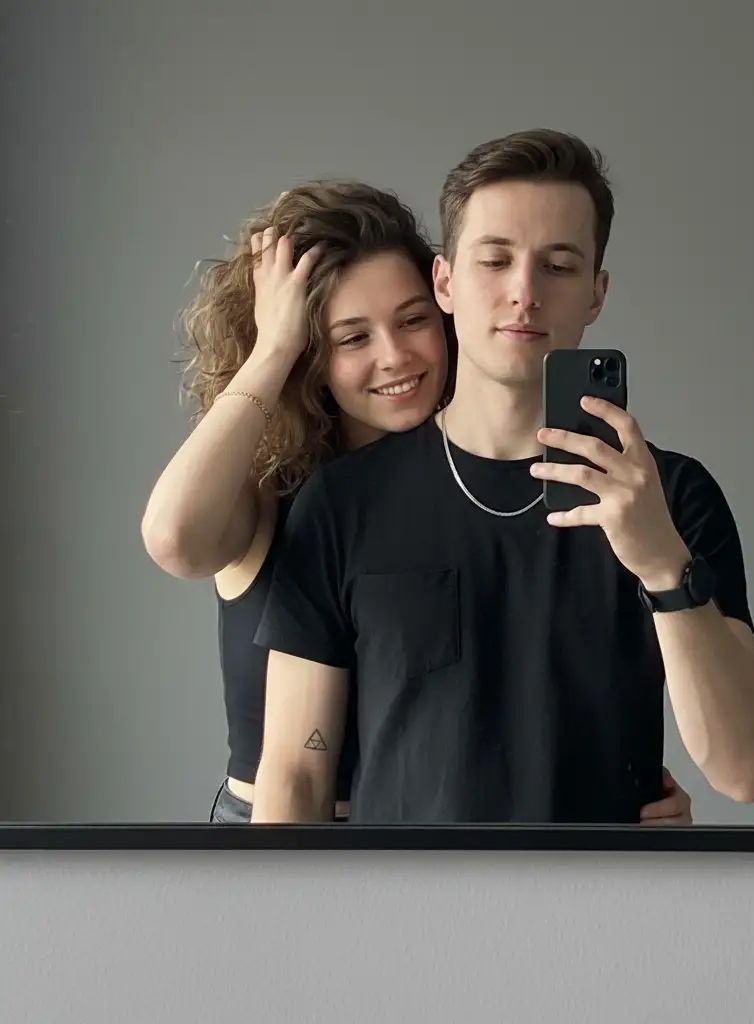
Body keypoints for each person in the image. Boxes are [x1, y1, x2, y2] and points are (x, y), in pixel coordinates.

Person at [251, 131, 754, 826]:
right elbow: (295, 772)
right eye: (495, 261)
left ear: (596, 295)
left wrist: (661, 563)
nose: (524, 293)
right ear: (445, 282)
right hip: (402, 895)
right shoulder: (343, 502)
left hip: (604, 895)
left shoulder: (674, 496)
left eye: (558, 266)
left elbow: (745, 770)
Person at [141, 179, 693, 825]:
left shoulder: (493, 485)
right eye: (352, 338)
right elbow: (174, 540)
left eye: (412, 321)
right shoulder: (279, 490)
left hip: (423, 835)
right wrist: (273, 349)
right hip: (278, 826)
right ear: (311, 355)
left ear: (444, 303)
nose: (395, 356)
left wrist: (626, 794)